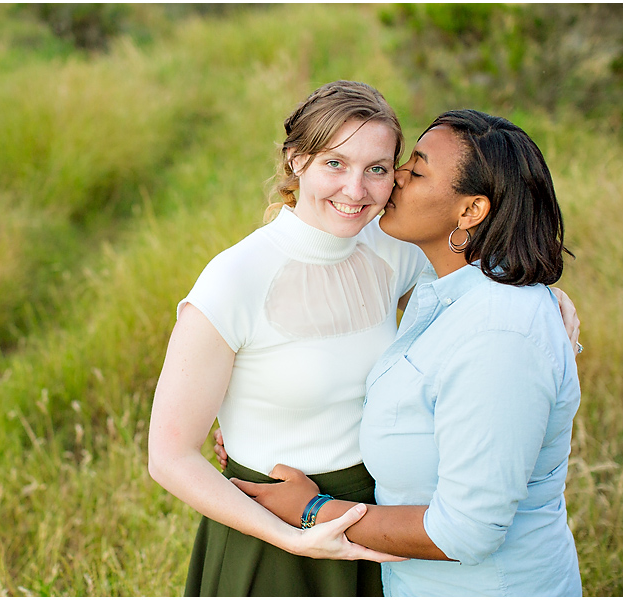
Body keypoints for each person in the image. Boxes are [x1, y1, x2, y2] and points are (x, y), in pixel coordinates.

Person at [226, 110, 583, 596]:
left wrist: (314, 512)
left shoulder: (500, 335)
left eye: (415, 171)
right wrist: (264, 428)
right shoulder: (449, 290)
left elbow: (466, 531)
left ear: (471, 211)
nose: (394, 178)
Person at [148, 80, 428, 596]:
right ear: (297, 161)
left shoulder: (394, 252)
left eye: (377, 169)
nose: (356, 190)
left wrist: (550, 299)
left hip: (372, 515)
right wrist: (291, 538)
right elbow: (169, 454)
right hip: (270, 530)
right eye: (335, 164)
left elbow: (475, 279)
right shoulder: (235, 278)